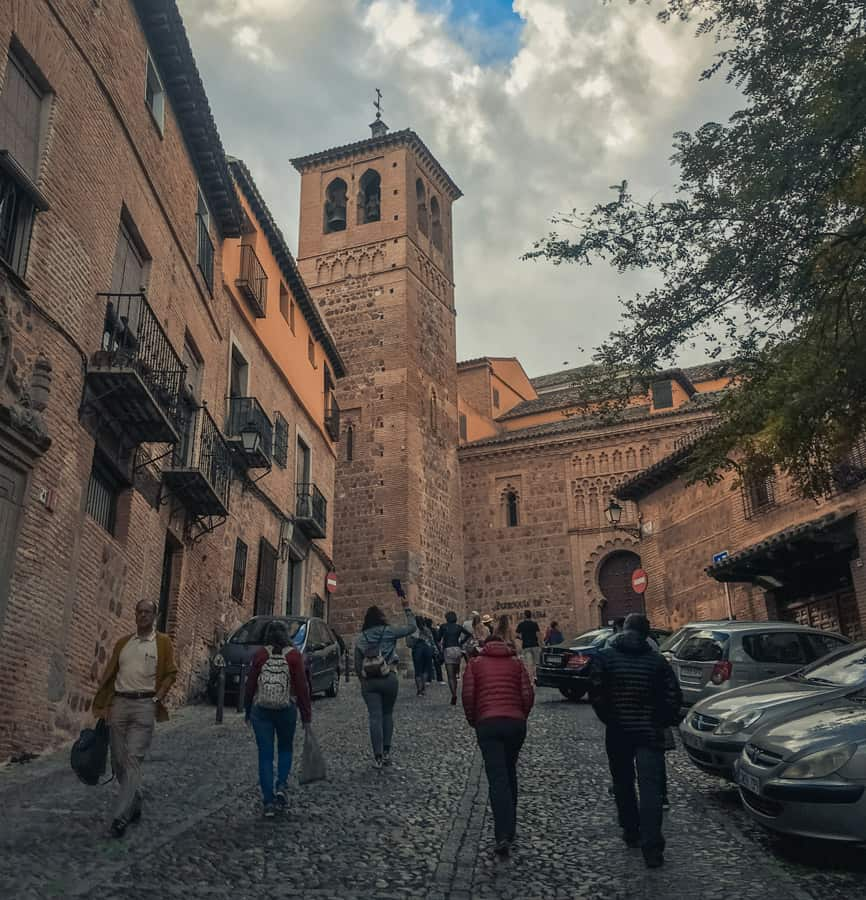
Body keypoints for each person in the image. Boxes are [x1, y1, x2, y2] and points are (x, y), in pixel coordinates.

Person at [589, 613, 683, 869]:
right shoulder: (657, 661)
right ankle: (652, 849)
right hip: (650, 732)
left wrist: (610, 718)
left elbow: (596, 691)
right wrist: (660, 720)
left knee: (623, 783)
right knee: (651, 789)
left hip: (619, 731)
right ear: (646, 634)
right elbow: (674, 696)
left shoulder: (605, 657)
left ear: (623, 630)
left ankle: (630, 831)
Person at [92, 598, 178, 838]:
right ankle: (135, 798)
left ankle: (120, 817)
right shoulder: (123, 644)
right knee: (118, 761)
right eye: (139, 612)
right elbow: (111, 673)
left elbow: (171, 673)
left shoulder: (162, 643)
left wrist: (156, 699)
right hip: (119, 703)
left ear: (155, 616)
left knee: (132, 759)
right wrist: (107, 705)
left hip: (144, 704)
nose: (142, 616)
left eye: (147, 612)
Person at [462, 615, 534, 860]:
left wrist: (475, 720)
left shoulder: (475, 663)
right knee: (510, 770)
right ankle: (510, 824)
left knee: (497, 778)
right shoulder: (516, 662)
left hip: (488, 725)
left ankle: (503, 833)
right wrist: (521, 716)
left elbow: (468, 697)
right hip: (515, 724)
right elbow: (527, 694)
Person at [244, 620, 312, 817]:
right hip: (286, 708)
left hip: (261, 710)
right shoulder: (294, 656)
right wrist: (306, 716)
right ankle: (281, 785)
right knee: (285, 748)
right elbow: (302, 687)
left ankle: (268, 801)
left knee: (265, 755)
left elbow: (250, 685)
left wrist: (247, 709)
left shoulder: (260, 655)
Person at [354, 584, 417, 767]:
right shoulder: (388, 632)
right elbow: (412, 628)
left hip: (370, 682)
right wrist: (406, 607)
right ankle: (387, 752)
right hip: (389, 678)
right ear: (381, 618)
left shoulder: (361, 638)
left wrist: (363, 680)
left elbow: (358, 664)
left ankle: (378, 756)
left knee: (374, 716)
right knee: (387, 714)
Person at [438, 611, 473, 705]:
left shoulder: (443, 627)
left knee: (450, 676)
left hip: (448, 649)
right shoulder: (458, 627)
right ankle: (455, 691)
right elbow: (469, 634)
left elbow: (438, 638)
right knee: (455, 673)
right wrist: (461, 642)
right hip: (457, 649)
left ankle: (453, 694)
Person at [411, 616, 435, 697]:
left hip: (417, 649)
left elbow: (410, 642)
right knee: (425, 670)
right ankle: (423, 688)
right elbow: (432, 640)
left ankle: (419, 690)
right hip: (427, 649)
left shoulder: (414, 630)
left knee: (418, 671)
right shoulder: (427, 629)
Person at [515, 609, 541, 679]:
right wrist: (541, 644)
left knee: (529, 664)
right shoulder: (534, 624)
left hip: (526, 646)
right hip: (535, 645)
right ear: (530, 615)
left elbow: (516, 635)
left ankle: (531, 678)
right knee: (537, 662)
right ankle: (537, 676)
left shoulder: (521, 624)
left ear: (524, 616)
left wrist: (522, 638)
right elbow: (538, 635)